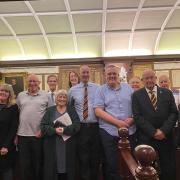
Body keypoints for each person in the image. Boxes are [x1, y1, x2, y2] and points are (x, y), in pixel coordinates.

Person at [132, 69, 178, 180]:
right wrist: (153, 132)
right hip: (147, 138)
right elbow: (137, 116)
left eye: (151, 77)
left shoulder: (167, 93)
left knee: (168, 167)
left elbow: (174, 113)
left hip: (166, 137)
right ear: (142, 80)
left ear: (155, 78)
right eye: (146, 78)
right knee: (147, 170)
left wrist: (163, 131)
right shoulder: (137, 95)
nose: (149, 80)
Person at [94, 64, 136, 180]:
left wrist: (132, 119)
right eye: (109, 74)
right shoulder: (100, 90)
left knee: (131, 163)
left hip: (130, 131)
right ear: (105, 75)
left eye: (114, 74)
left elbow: (137, 107)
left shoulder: (128, 88)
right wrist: (117, 123)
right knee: (111, 164)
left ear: (118, 75)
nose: (112, 76)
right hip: (109, 132)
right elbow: (98, 110)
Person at [68, 65, 100, 180]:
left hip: (96, 126)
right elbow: (69, 108)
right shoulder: (72, 90)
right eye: (83, 73)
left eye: (87, 72)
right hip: (81, 128)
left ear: (89, 73)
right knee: (83, 156)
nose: (85, 74)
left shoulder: (98, 88)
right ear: (79, 74)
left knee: (95, 155)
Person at [41, 89, 80, 180]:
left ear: (67, 99)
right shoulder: (50, 110)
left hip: (68, 144)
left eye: (64, 97)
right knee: (52, 170)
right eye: (60, 97)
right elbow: (43, 126)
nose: (62, 99)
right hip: (52, 144)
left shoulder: (71, 110)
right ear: (56, 98)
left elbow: (77, 125)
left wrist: (64, 130)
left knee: (67, 169)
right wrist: (55, 130)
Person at [16, 74, 49, 180]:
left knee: (37, 164)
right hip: (22, 135)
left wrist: (42, 130)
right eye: (30, 81)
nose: (32, 83)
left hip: (38, 135)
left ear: (39, 82)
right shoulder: (21, 95)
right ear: (27, 82)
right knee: (24, 165)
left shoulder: (45, 95)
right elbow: (17, 113)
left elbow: (50, 115)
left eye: (34, 81)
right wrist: (16, 134)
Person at [0, 84, 19, 180]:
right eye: (1, 90)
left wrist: (6, 146)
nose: (3, 92)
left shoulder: (13, 107)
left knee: (6, 171)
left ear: (10, 94)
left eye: (6, 91)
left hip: (6, 145)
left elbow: (13, 128)